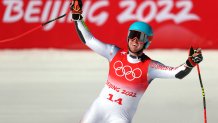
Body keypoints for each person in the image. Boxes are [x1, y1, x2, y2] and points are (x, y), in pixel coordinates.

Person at [70, 0, 203, 123]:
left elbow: (176, 73)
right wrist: (77, 17)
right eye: (133, 35)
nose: (135, 40)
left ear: (147, 42)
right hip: (98, 110)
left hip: (120, 118)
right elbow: (89, 39)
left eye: (140, 37)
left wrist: (190, 62)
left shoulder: (150, 66)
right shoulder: (113, 52)